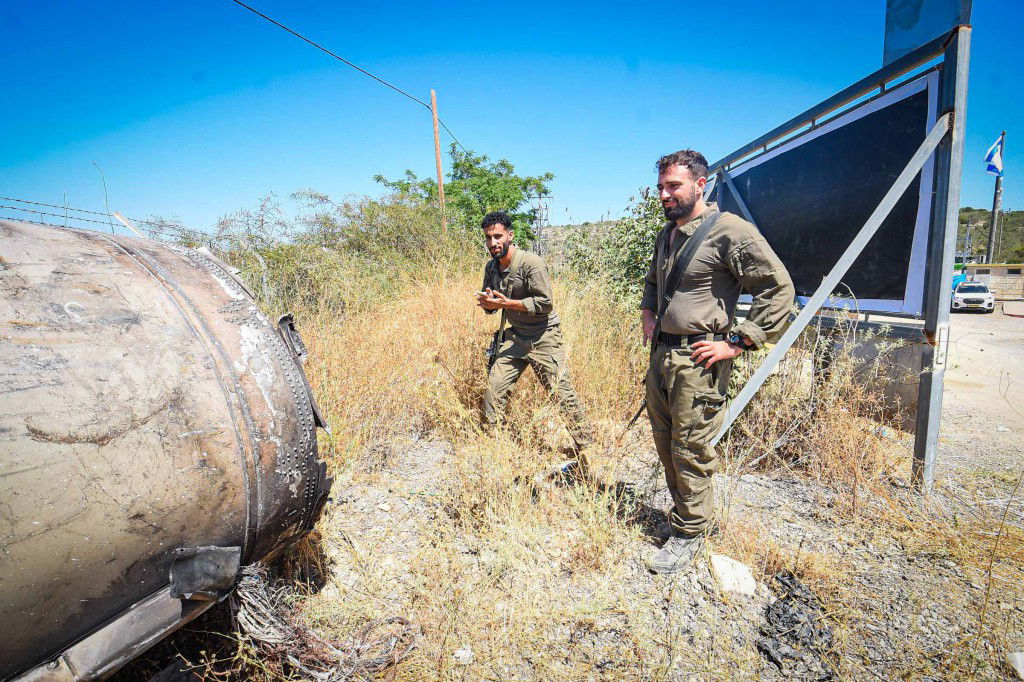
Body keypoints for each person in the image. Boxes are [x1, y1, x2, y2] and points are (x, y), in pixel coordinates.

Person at [641, 150, 795, 574]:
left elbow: (779, 290)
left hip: (699, 358)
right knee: (665, 440)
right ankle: (685, 513)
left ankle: (691, 531)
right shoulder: (667, 234)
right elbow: (655, 281)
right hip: (662, 355)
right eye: (660, 187)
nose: (665, 194)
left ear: (700, 184)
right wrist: (648, 313)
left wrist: (740, 342)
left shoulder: (730, 231)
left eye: (674, 186)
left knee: (690, 446)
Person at [476, 210, 592, 473]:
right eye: (488, 238)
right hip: (515, 337)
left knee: (562, 394)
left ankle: (587, 447)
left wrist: (507, 303)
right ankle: (495, 448)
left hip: (543, 337)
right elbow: (492, 307)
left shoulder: (531, 263)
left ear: (509, 235)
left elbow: (545, 303)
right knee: (494, 391)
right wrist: (488, 304)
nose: (493, 243)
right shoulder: (491, 267)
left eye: (497, 236)